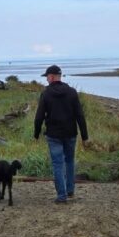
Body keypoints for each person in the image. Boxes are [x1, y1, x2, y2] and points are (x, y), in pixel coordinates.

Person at [33, 64, 89, 203]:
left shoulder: (46, 94)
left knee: (58, 164)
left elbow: (39, 117)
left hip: (53, 135)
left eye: (47, 77)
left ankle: (62, 196)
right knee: (69, 161)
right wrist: (85, 136)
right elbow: (80, 115)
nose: (47, 79)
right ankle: (70, 190)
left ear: (52, 77)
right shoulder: (72, 92)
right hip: (70, 133)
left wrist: (36, 134)